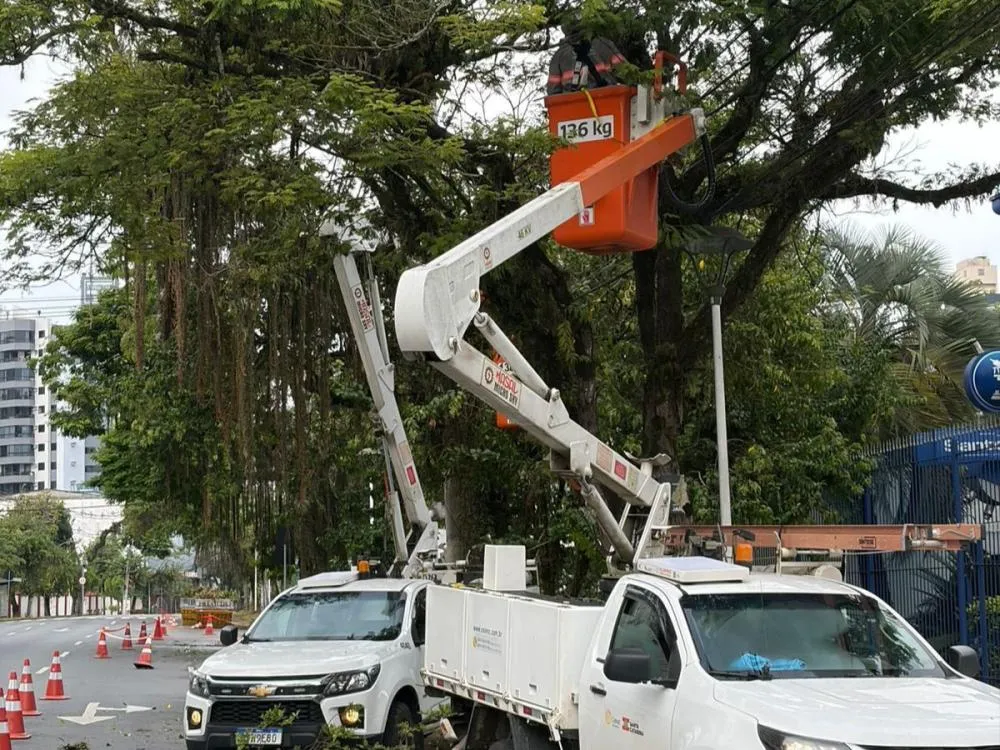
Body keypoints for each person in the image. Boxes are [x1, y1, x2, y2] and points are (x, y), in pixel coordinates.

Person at [546, 13, 628, 95]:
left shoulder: (558, 56)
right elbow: (626, 74)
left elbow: (553, 92)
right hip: (609, 99)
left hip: (573, 105)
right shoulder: (604, 44)